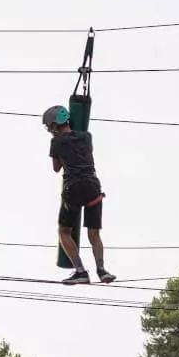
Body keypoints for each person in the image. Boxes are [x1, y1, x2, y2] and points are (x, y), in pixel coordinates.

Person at [42, 106, 116, 285]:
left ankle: (80, 271)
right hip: (93, 187)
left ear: (55, 124)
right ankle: (102, 270)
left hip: (73, 188)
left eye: (50, 126)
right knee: (94, 234)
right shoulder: (87, 136)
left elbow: (56, 168)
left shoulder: (56, 142)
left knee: (64, 232)